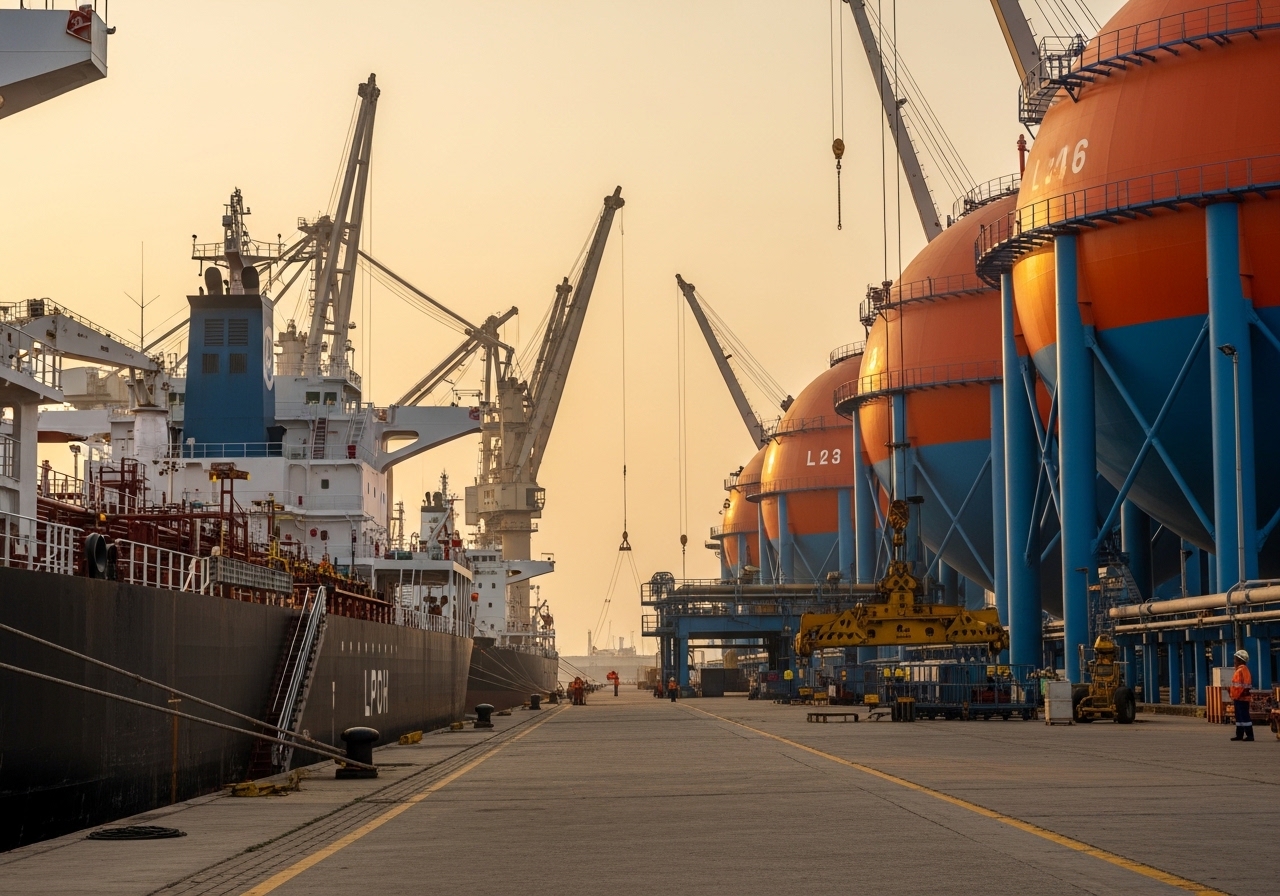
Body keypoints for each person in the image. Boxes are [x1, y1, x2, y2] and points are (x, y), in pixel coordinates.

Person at [1230, 649, 1254, 742]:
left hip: (1242, 697)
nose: (1234, 661)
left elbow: (1244, 686)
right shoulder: (1240, 670)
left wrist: (1238, 695)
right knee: (1239, 717)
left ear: (1240, 660)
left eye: (1235, 659)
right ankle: (1239, 734)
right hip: (1238, 697)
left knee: (1244, 716)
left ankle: (1250, 735)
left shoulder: (1242, 670)